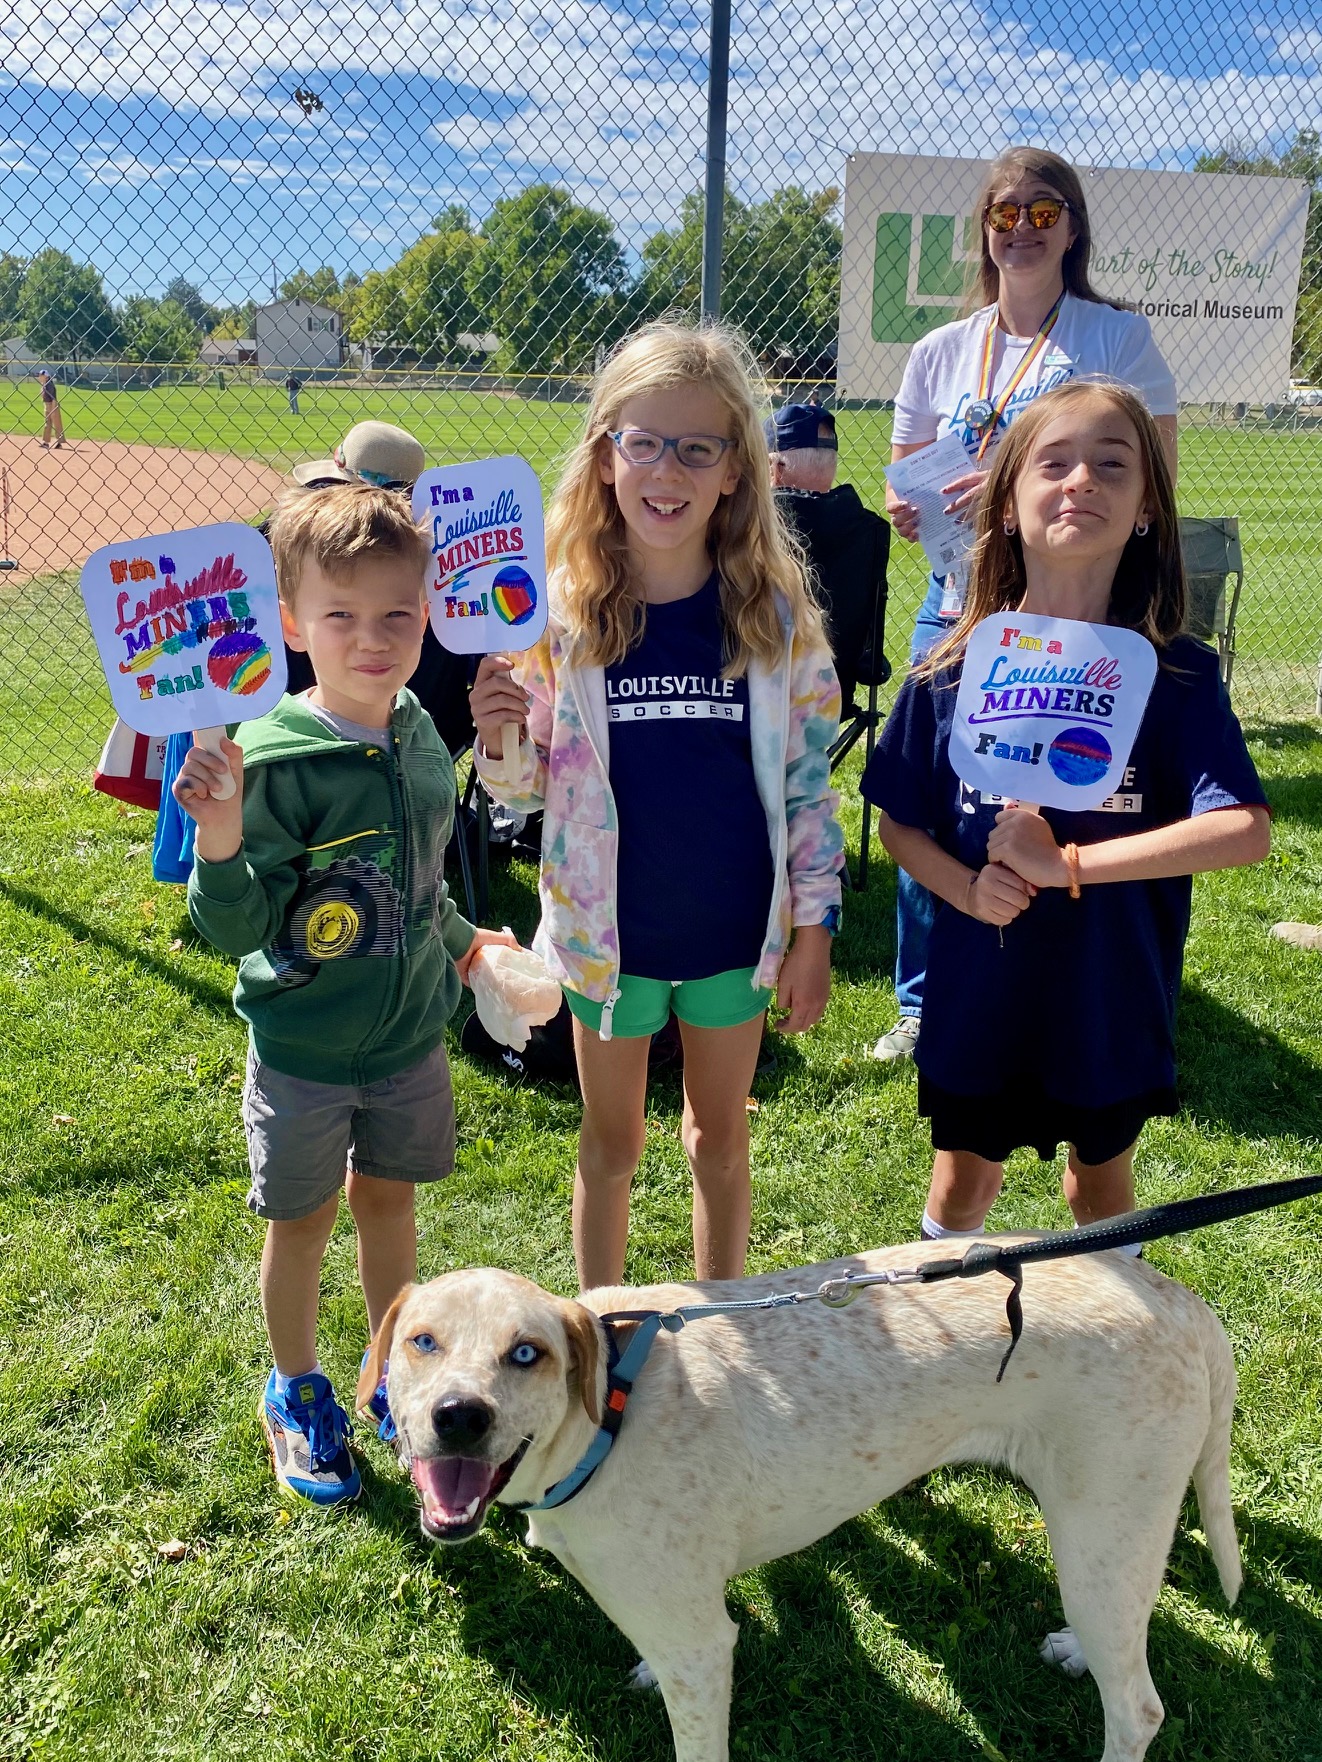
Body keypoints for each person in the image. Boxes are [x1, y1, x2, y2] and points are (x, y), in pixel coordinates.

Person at [470, 323, 845, 1290]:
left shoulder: (775, 618)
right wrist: (503, 731)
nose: (666, 468)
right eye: (643, 441)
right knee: (612, 1145)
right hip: (607, 942)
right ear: (605, 457)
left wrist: (813, 930)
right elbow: (522, 791)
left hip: (733, 934)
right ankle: (604, 1320)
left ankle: (718, 1312)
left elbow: (808, 787)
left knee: (719, 1140)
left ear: (736, 470)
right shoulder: (559, 615)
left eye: (697, 446)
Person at [862, 380, 1269, 1243]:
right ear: (1005, 504)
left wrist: (1070, 865)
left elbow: (1243, 828)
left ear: (1147, 510)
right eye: (1054, 463)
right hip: (981, 988)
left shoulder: (1176, 674)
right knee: (964, 1188)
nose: (1081, 480)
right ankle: (947, 1352)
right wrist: (966, 890)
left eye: (1111, 465)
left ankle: (1112, 1365)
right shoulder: (953, 664)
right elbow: (900, 819)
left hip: (1106, 996)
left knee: (1098, 1195)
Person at [172, 483, 516, 1505]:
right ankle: (295, 1388)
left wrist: (465, 946)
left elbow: (418, 882)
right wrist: (224, 834)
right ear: (290, 621)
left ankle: (388, 1372)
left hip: (408, 1042)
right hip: (305, 1053)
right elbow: (230, 929)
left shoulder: (416, 727)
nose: (371, 639)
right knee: (304, 1219)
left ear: (427, 613)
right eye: (340, 616)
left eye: (396, 616)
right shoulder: (269, 756)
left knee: (389, 1202)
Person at [876, 146, 1179, 1066]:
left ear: (1073, 228)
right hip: (961, 600)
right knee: (939, 803)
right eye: (1004, 214)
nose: (1021, 229)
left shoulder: (1114, 339)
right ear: (985, 230)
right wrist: (909, 502)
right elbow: (906, 478)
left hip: (1074, 609)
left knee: (1068, 803)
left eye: (1042, 213)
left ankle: (1063, 976)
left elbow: (1156, 472)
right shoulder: (940, 349)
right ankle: (926, 998)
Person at [765, 402, 890, 713]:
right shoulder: (868, 529)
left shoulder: (750, 527)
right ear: (831, 466)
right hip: (831, 698)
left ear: (775, 469)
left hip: (756, 695)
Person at [37, 370, 65, 449]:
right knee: (47, 424)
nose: (39, 377)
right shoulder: (45, 384)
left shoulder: (49, 385)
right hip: (47, 405)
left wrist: (53, 410)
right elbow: (42, 396)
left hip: (53, 405)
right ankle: (46, 442)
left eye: (41, 375)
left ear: (46, 376)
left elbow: (53, 399)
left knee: (57, 424)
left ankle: (59, 443)